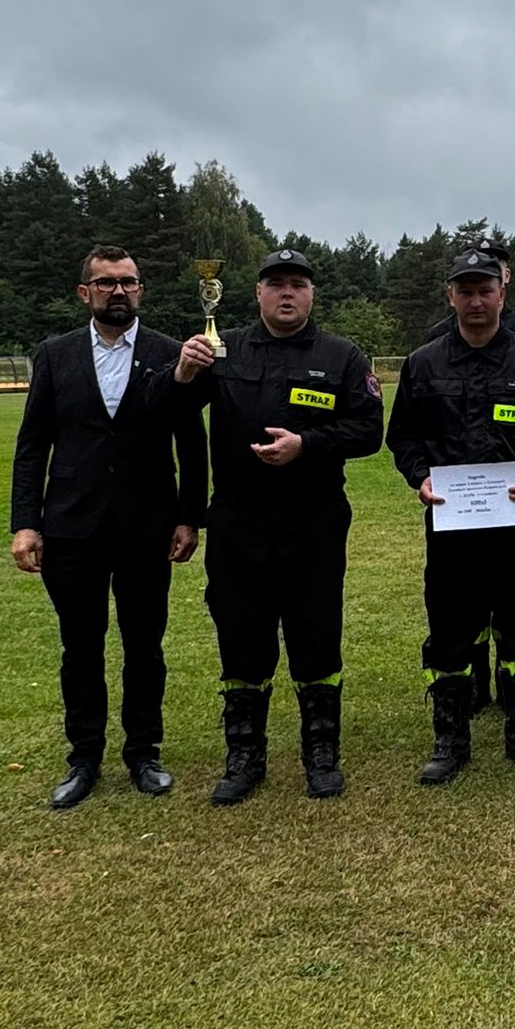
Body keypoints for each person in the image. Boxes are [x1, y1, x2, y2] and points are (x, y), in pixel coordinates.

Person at [167, 248, 383, 804]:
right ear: (258, 292)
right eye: (276, 283)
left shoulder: (340, 355)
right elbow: (170, 414)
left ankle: (321, 753)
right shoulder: (221, 349)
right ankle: (244, 755)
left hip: (313, 519)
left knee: (316, 633)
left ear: (311, 294)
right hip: (238, 520)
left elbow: (368, 431)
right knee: (241, 636)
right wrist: (183, 374)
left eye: (298, 284)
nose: (288, 293)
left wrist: (306, 444)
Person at [10, 245, 206, 810]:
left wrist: (189, 516)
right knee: (80, 647)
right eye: (105, 282)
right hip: (72, 525)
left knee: (144, 646)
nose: (118, 291)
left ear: (141, 289)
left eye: (128, 282)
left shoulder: (171, 354)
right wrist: (25, 523)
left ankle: (144, 753)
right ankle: (84, 757)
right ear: (85, 292)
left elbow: (192, 443)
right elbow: (33, 444)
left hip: (147, 524)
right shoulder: (56, 354)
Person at [388, 248, 515, 784]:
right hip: (451, 527)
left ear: (502, 293)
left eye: (485, 290)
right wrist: (420, 477)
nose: (476, 301)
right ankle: (450, 739)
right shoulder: (424, 363)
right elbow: (402, 436)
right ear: (450, 296)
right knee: (450, 630)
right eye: (465, 291)